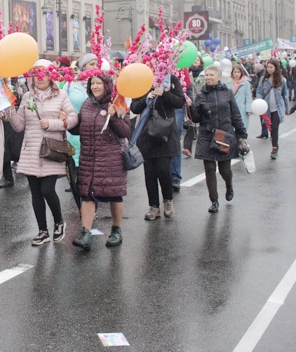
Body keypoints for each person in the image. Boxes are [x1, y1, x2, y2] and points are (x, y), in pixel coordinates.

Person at [8, 59, 78, 246]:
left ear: (51, 76)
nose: (40, 78)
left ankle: (59, 222)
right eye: (36, 74)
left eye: (44, 73)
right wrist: (10, 112)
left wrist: (52, 123)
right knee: (36, 193)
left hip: (51, 150)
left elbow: (73, 119)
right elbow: (19, 126)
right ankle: (42, 231)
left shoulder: (61, 95)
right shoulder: (27, 97)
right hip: (31, 150)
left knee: (47, 189)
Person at [70, 73, 131, 250]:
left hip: (111, 158)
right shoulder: (87, 104)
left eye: (99, 83)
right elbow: (78, 129)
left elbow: (126, 131)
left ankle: (116, 230)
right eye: (92, 83)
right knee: (88, 195)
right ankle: (85, 233)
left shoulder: (118, 103)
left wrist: (113, 117)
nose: (95, 86)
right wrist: (68, 121)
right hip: (89, 158)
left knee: (114, 194)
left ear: (107, 85)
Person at [190, 65, 248, 213]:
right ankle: (214, 201)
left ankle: (229, 185)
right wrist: (190, 107)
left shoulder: (227, 93)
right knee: (209, 169)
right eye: (206, 75)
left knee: (224, 169)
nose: (208, 78)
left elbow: (235, 115)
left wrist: (242, 135)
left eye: (211, 75)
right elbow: (196, 119)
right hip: (206, 135)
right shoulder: (201, 95)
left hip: (223, 135)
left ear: (219, 77)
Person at [130, 74, 185, 220]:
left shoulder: (171, 79)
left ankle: (168, 201)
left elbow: (180, 101)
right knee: (149, 172)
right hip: (147, 134)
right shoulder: (141, 80)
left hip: (165, 132)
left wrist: (164, 94)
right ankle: (153, 207)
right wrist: (145, 99)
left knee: (163, 168)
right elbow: (134, 107)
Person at [255, 59, 290, 160]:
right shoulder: (263, 79)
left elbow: (285, 95)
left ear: (276, 68)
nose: (269, 69)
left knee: (275, 128)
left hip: (277, 109)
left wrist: (287, 108)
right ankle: (274, 143)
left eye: (271, 67)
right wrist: (258, 102)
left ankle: (274, 148)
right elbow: (259, 92)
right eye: (268, 67)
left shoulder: (281, 80)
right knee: (270, 128)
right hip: (266, 109)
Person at [182, 54, 204, 156]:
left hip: (200, 102)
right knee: (189, 125)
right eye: (194, 59)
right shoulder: (186, 73)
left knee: (201, 127)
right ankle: (187, 148)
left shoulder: (205, 73)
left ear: (201, 61)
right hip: (190, 102)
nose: (196, 61)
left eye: (198, 59)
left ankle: (203, 149)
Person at [227, 65, 253, 131]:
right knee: (231, 127)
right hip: (231, 108)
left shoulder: (246, 83)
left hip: (241, 108)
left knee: (242, 126)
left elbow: (248, 96)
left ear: (241, 73)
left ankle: (241, 139)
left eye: (238, 72)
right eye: (235, 72)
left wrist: (248, 109)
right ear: (232, 73)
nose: (237, 74)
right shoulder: (228, 83)